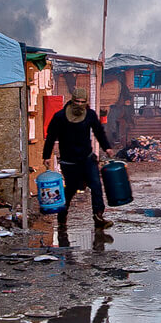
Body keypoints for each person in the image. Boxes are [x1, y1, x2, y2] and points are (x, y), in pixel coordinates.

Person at [43, 87, 114, 230]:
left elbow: (99, 132)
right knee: (70, 189)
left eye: (83, 102)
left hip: (87, 158)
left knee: (96, 186)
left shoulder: (90, 115)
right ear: (72, 100)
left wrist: (107, 147)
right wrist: (46, 156)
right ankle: (62, 216)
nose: (80, 104)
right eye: (77, 101)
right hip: (69, 161)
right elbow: (50, 137)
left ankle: (98, 216)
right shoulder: (60, 117)